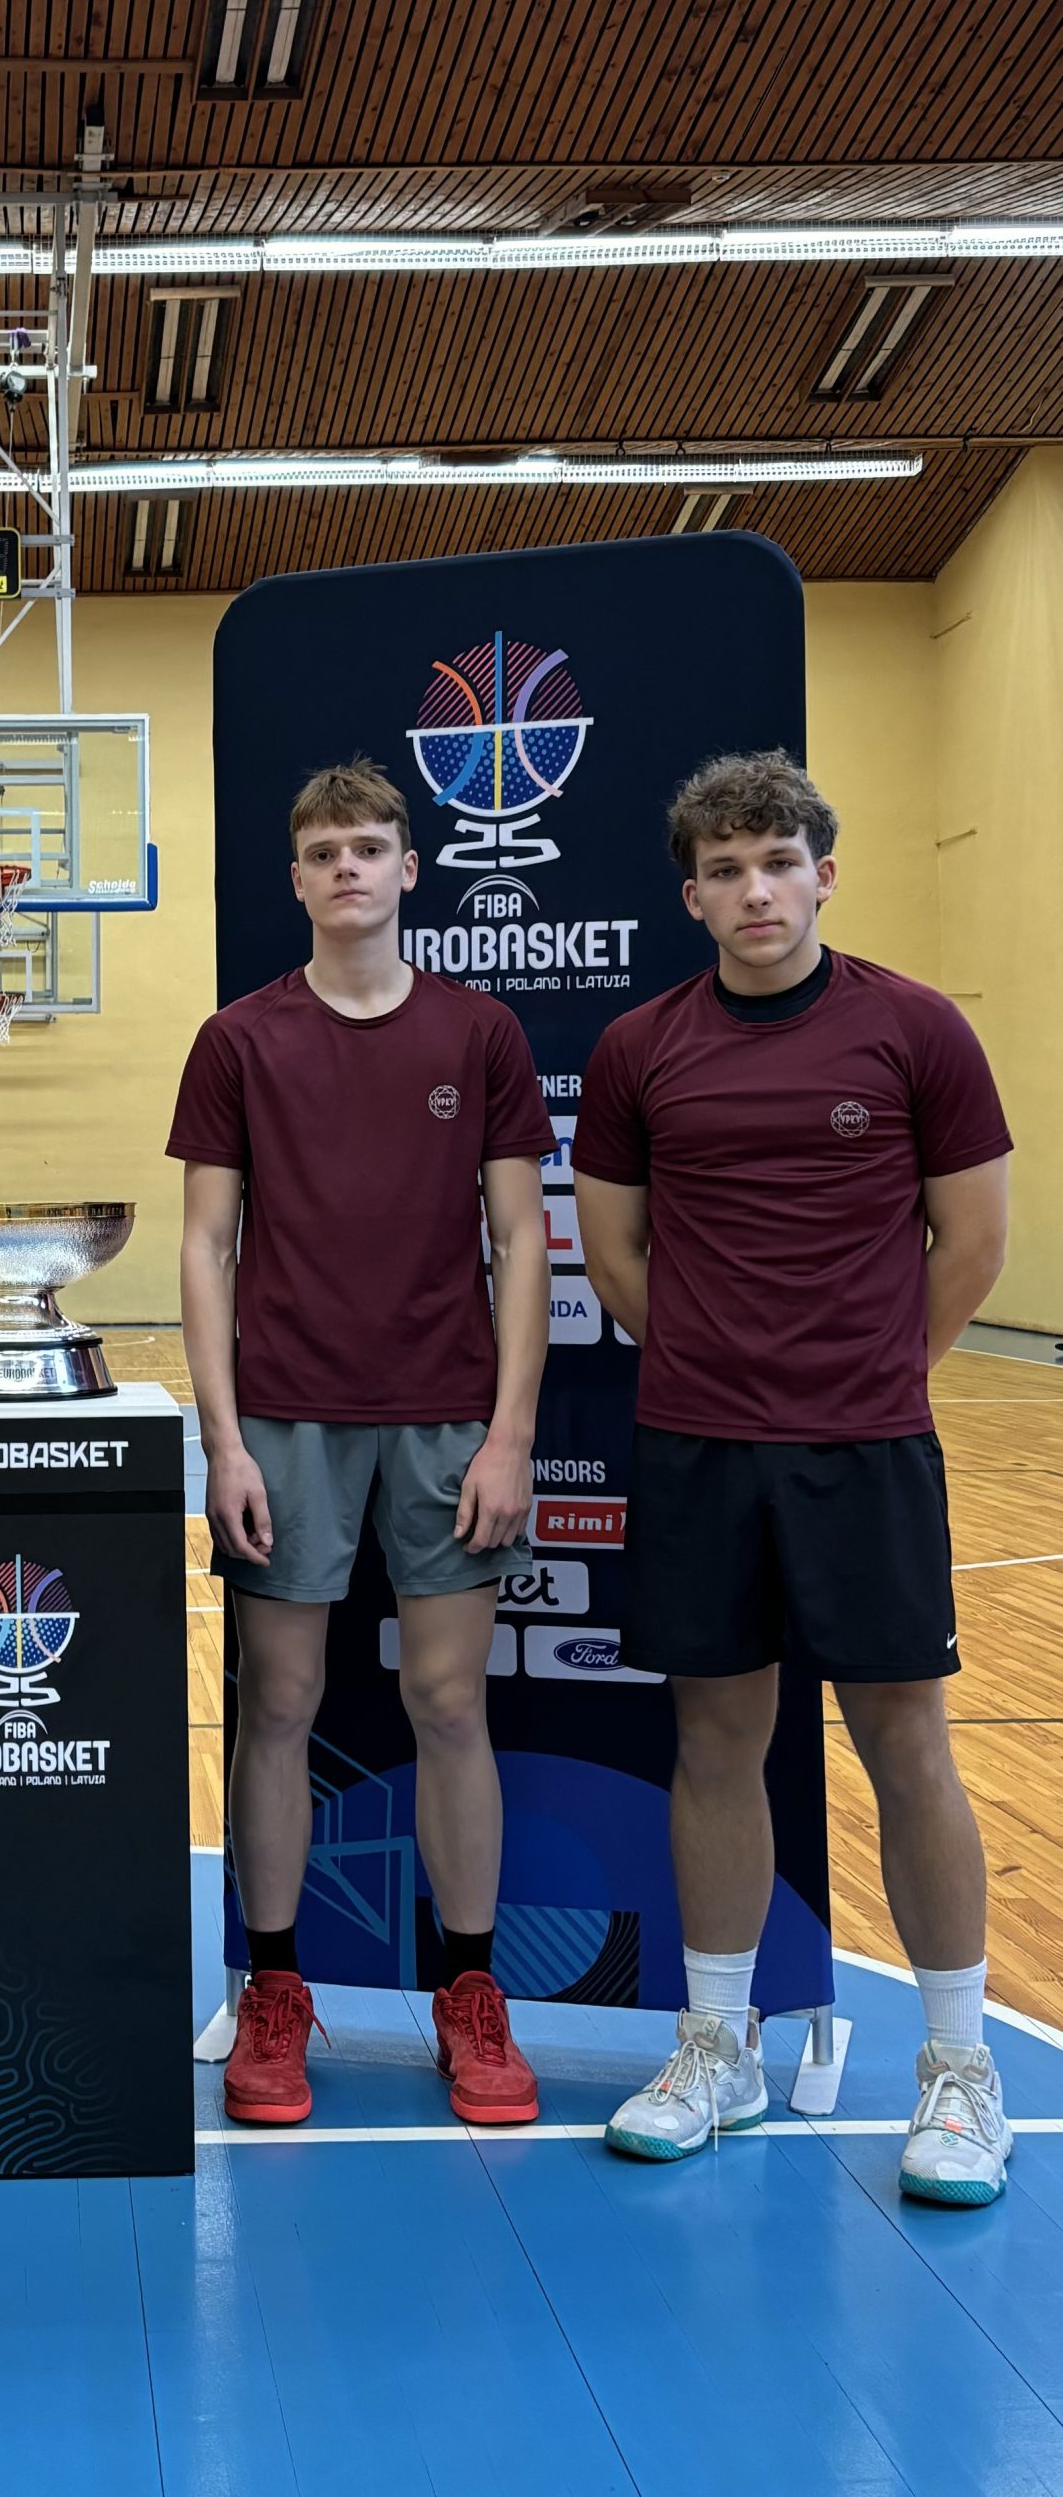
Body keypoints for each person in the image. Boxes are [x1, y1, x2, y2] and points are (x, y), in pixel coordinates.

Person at [576, 751, 1014, 2206]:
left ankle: (959, 2070)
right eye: (726, 870)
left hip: (867, 1451)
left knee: (907, 1746)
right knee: (717, 1743)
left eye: (778, 863)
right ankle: (719, 2048)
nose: (755, 890)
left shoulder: (919, 1030)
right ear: (692, 897)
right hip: (698, 1446)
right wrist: (723, 1369)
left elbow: (972, 1242)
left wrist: (873, 1375)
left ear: (824, 873)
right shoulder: (640, 1049)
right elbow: (617, 1256)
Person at [170, 759, 554, 2127]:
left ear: (408, 868)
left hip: (449, 1416)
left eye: (370, 847)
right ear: (296, 879)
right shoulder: (239, 1040)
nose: (348, 868)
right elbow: (205, 1246)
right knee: (279, 1703)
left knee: (450, 1703)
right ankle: (274, 1991)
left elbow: (523, 1237)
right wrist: (223, 1441)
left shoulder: (481, 1032)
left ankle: (471, 1993)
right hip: (286, 1417)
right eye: (325, 851)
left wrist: (511, 1435)